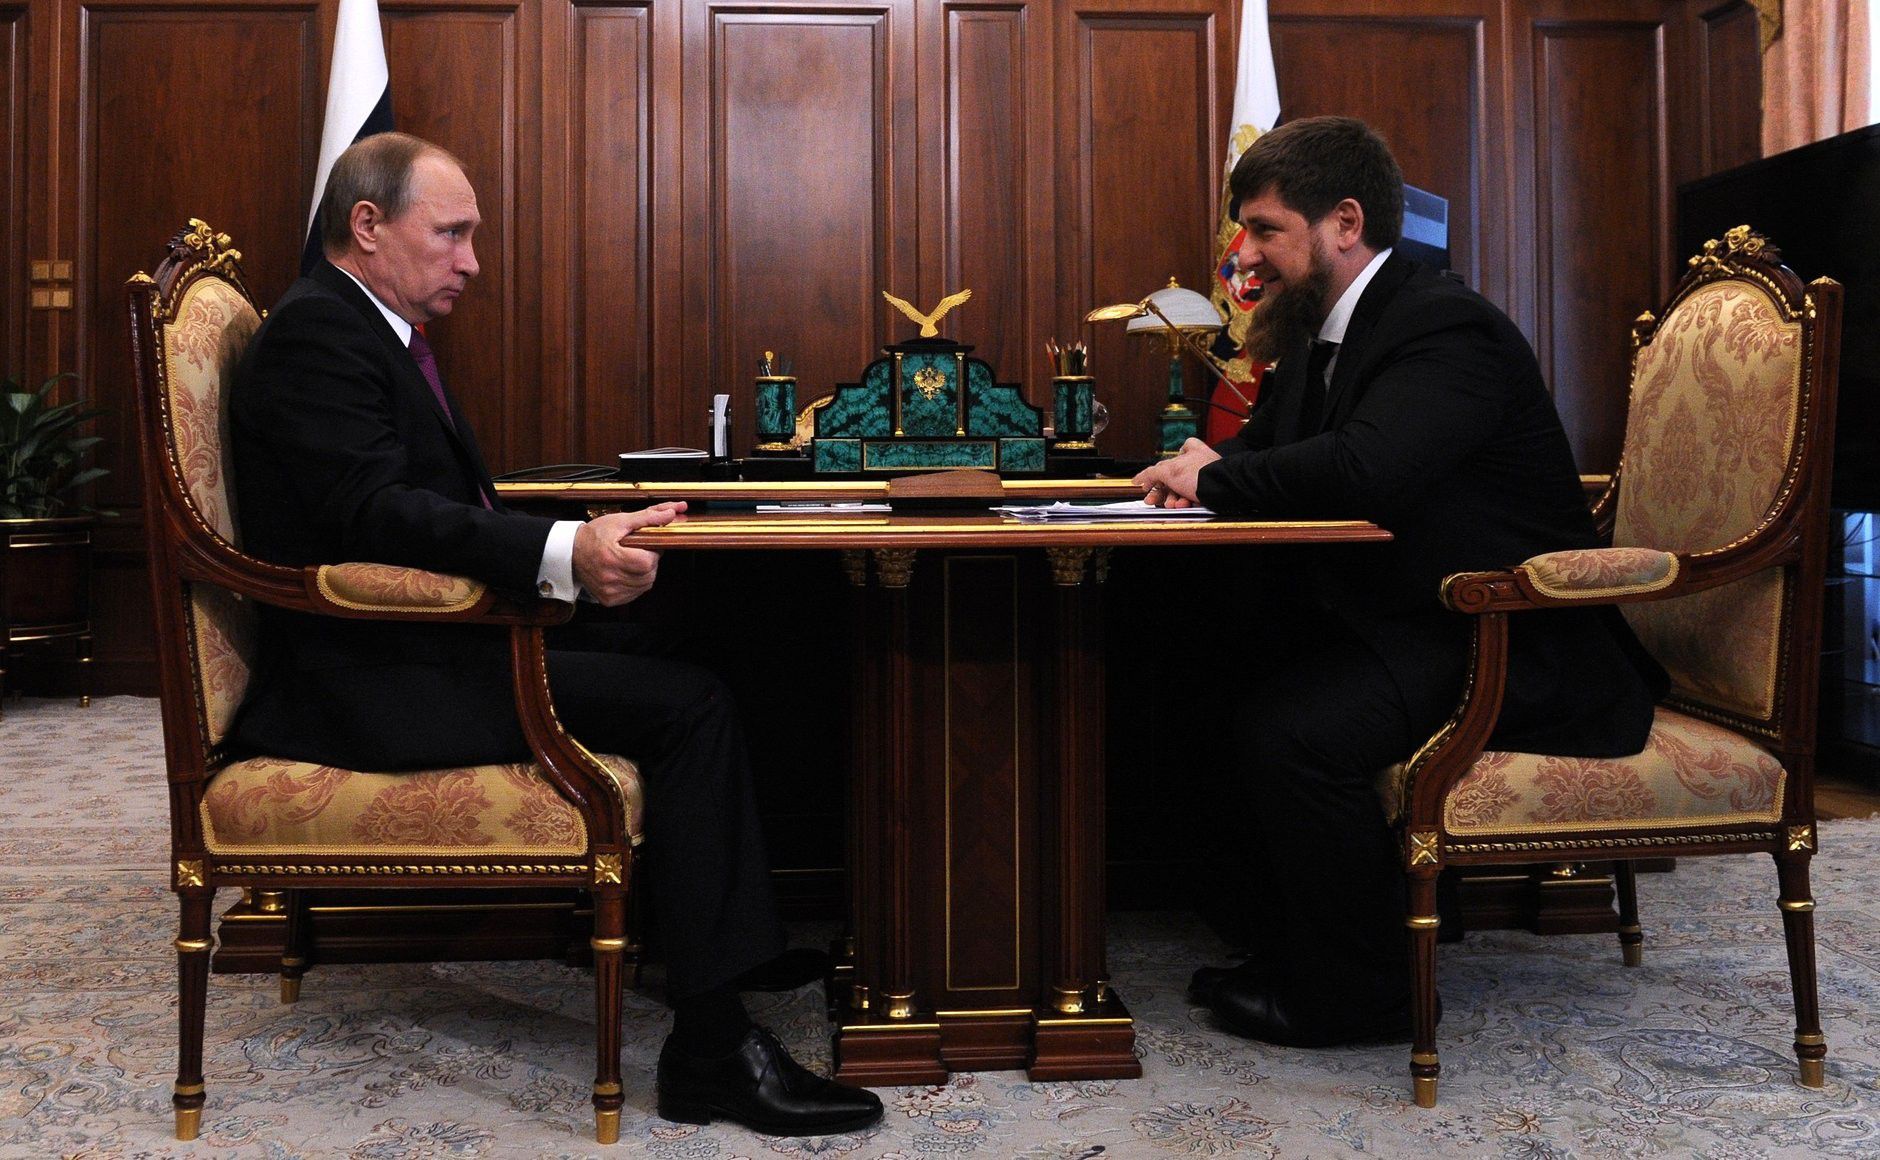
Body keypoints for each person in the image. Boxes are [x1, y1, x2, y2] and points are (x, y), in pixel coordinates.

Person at [225, 131, 882, 1135]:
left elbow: (429, 504)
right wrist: (564, 548)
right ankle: (712, 1051)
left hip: (429, 645)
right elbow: (374, 514)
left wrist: (577, 537)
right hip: (374, 676)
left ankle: (718, 941)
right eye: (451, 234)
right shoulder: (318, 334)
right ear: (367, 224)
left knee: (710, 638)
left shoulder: (365, 327)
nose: (471, 261)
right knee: (690, 704)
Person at [1134, 117, 1666, 1047]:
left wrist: (1213, 479)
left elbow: (1366, 468)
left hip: (1511, 637)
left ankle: (1367, 998)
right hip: (1411, 617)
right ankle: (1295, 945)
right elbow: (1261, 451)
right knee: (1198, 675)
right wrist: (1197, 467)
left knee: (1294, 732)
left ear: (1344, 222)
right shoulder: (1319, 331)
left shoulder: (1443, 325)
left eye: (1264, 230)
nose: (1243, 257)